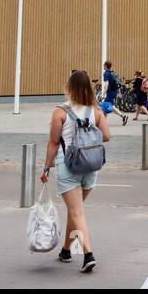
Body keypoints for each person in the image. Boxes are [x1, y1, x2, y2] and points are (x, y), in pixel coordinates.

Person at [41, 70, 111, 273]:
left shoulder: (60, 112)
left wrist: (46, 167)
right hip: (91, 165)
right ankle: (65, 250)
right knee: (76, 210)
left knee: (77, 211)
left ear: (69, 88)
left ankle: (88, 254)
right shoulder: (96, 111)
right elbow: (106, 136)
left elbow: (54, 143)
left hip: (68, 165)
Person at [100, 61, 128, 126]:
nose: (103, 66)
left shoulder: (106, 73)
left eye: (104, 65)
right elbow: (117, 83)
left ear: (106, 66)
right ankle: (122, 117)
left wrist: (104, 94)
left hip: (109, 92)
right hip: (114, 92)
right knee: (110, 106)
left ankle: (102, 123)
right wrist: (119, 92)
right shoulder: (114, 73)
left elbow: (106, 85)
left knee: (105, 106)